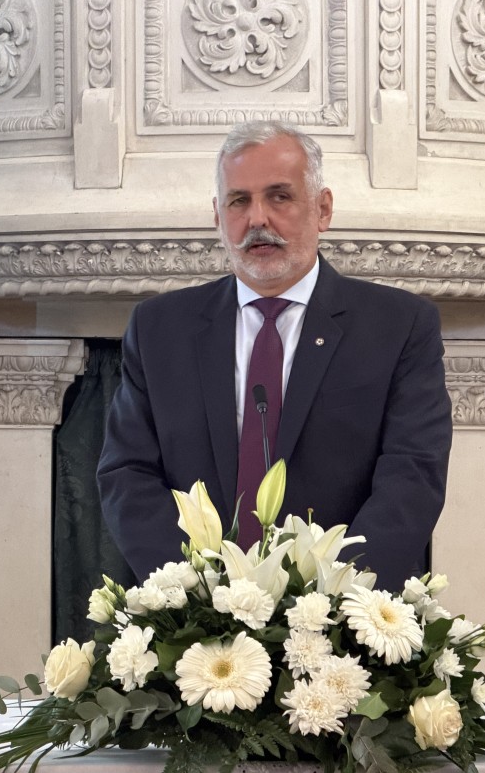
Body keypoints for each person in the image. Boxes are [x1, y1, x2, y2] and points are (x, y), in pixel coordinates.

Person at [96, 121, 452, 591]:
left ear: (322, 209)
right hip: (197, 611)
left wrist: (334, 597)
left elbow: (412, 474)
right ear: (218, 216)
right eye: (238, 201)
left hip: (343, 611)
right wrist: (194, 593)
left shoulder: (398, 325)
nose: (257, 219)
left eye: (279, 197)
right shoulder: (159, 328)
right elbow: (127, 473)